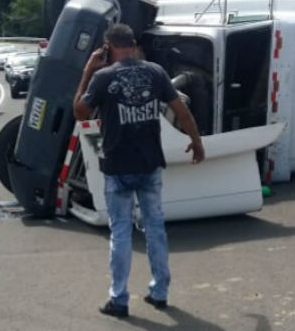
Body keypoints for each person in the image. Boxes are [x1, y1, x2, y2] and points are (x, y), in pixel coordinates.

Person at [73, 24, 205, 318]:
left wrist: (87, 71)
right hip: (149, 163)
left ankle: (119, 299)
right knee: (155, 227)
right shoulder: (156, 72)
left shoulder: (103, 77)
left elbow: (80, 113)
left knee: (120, 231)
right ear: (133, 45)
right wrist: (196, 141)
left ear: (108, 47)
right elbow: (181, 111)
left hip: (118, 165)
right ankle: (160, 291)